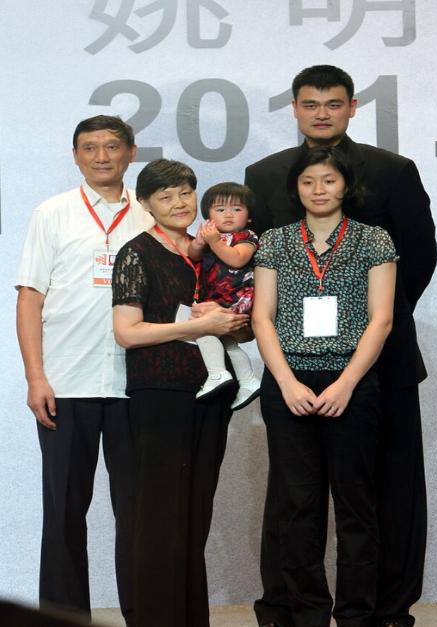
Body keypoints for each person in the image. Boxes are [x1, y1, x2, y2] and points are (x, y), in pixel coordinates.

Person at [245, 65, 437, 627]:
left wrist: (368, 330)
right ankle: (287, 609)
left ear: (353, 106)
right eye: (310, 104)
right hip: (294, 365)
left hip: (380, 360)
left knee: (387, 491)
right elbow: (254, 265)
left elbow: (418, 260)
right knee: (293, 496)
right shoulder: (264, 173)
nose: (322, 112)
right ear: (296, 109)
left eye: (333, 103)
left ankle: (384, 611)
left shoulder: (393, 170)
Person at [15, 115, 153, 625]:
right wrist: (35, 377)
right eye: (89, 148)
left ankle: (143, 615)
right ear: (75, 155)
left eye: (112, 147)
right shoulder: (51, 213)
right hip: (66, 382)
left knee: (137, 516)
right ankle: (62, 617)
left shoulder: (150, 213)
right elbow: (30, 299)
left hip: (136, 384)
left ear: (131, 153)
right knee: (64, 515)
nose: (101, 156)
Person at [253, 146, 397, 627]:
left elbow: (381, 320)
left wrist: (347, 384)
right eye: (309, 182)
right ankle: (308, 613)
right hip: (289, 383)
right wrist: (287, 382)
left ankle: (356, 615)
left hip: (351, 383)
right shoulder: (273, 241)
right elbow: (262, 317)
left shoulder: (373, 240)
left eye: (329, 181)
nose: (319, 190)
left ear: (346, 186)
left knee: (356, 504)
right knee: (298, 505)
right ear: (296, 187)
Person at [111, 159, 249, 627]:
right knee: (160, 519)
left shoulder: (200, 252)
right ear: (145, 204)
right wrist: (200, 324)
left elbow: (222, 317)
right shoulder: (137, 252)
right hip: (160, 392)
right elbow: (127, 333)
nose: (178, 203)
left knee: (195, 515)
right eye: (165, 196)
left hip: (209, 394)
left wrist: (228, 322)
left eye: (185, 193)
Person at [188, 182, 261, 410]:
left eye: (237, 209)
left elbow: (236, 259)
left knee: (202, 329)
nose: (228, 215)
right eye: (220, 209)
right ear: (208, 215)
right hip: (214, 299)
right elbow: (193, 255)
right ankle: (248, 380)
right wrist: (199, 244)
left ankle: (217, 373)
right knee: (227, 342)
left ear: (249, 216)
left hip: (236, 299)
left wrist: (213, 242)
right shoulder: (209, 235)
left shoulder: (248, 236)